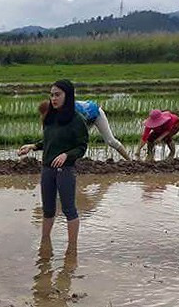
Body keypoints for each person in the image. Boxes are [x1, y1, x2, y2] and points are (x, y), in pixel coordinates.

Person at [19, 80, 89, 251]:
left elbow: (81, 147)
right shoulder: (50, 117)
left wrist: (67, 155)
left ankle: (72, 248)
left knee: (68, 209)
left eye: (58, 94)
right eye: (52, 95)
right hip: (47, 169)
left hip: (65, 170)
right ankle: (45, 243)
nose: (54, 98)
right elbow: (50, 141)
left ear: (68, 96)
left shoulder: (77, 120)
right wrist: (33, 146)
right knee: (48, 209)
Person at [37, 99, 128, 160]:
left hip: (95, 114)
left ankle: (130, 160)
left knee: (110, 141)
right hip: (84, 117)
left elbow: (80, 124)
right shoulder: (55, 114)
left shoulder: (69, 111)